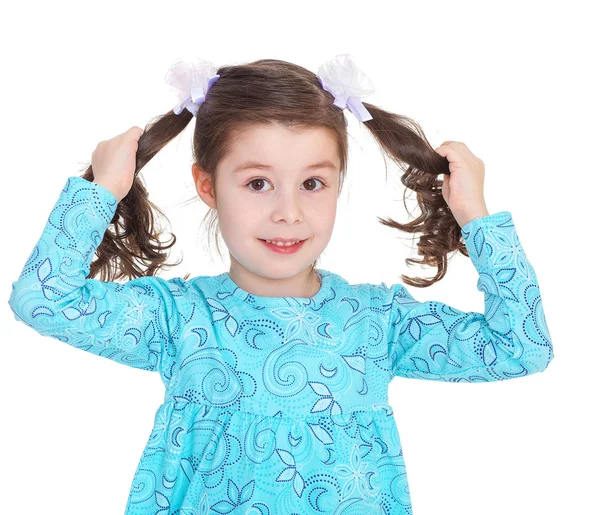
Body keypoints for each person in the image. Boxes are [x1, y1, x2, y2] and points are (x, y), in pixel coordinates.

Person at [7, 54, 554, 514]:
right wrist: (101, 190)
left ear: (340, 185)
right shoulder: (178, 319)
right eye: (258, 183)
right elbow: (43, 300)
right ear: (208, 185)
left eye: (313, 183)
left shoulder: (377, 322)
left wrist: (476, 217)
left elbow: (520, 349)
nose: (288, 212)